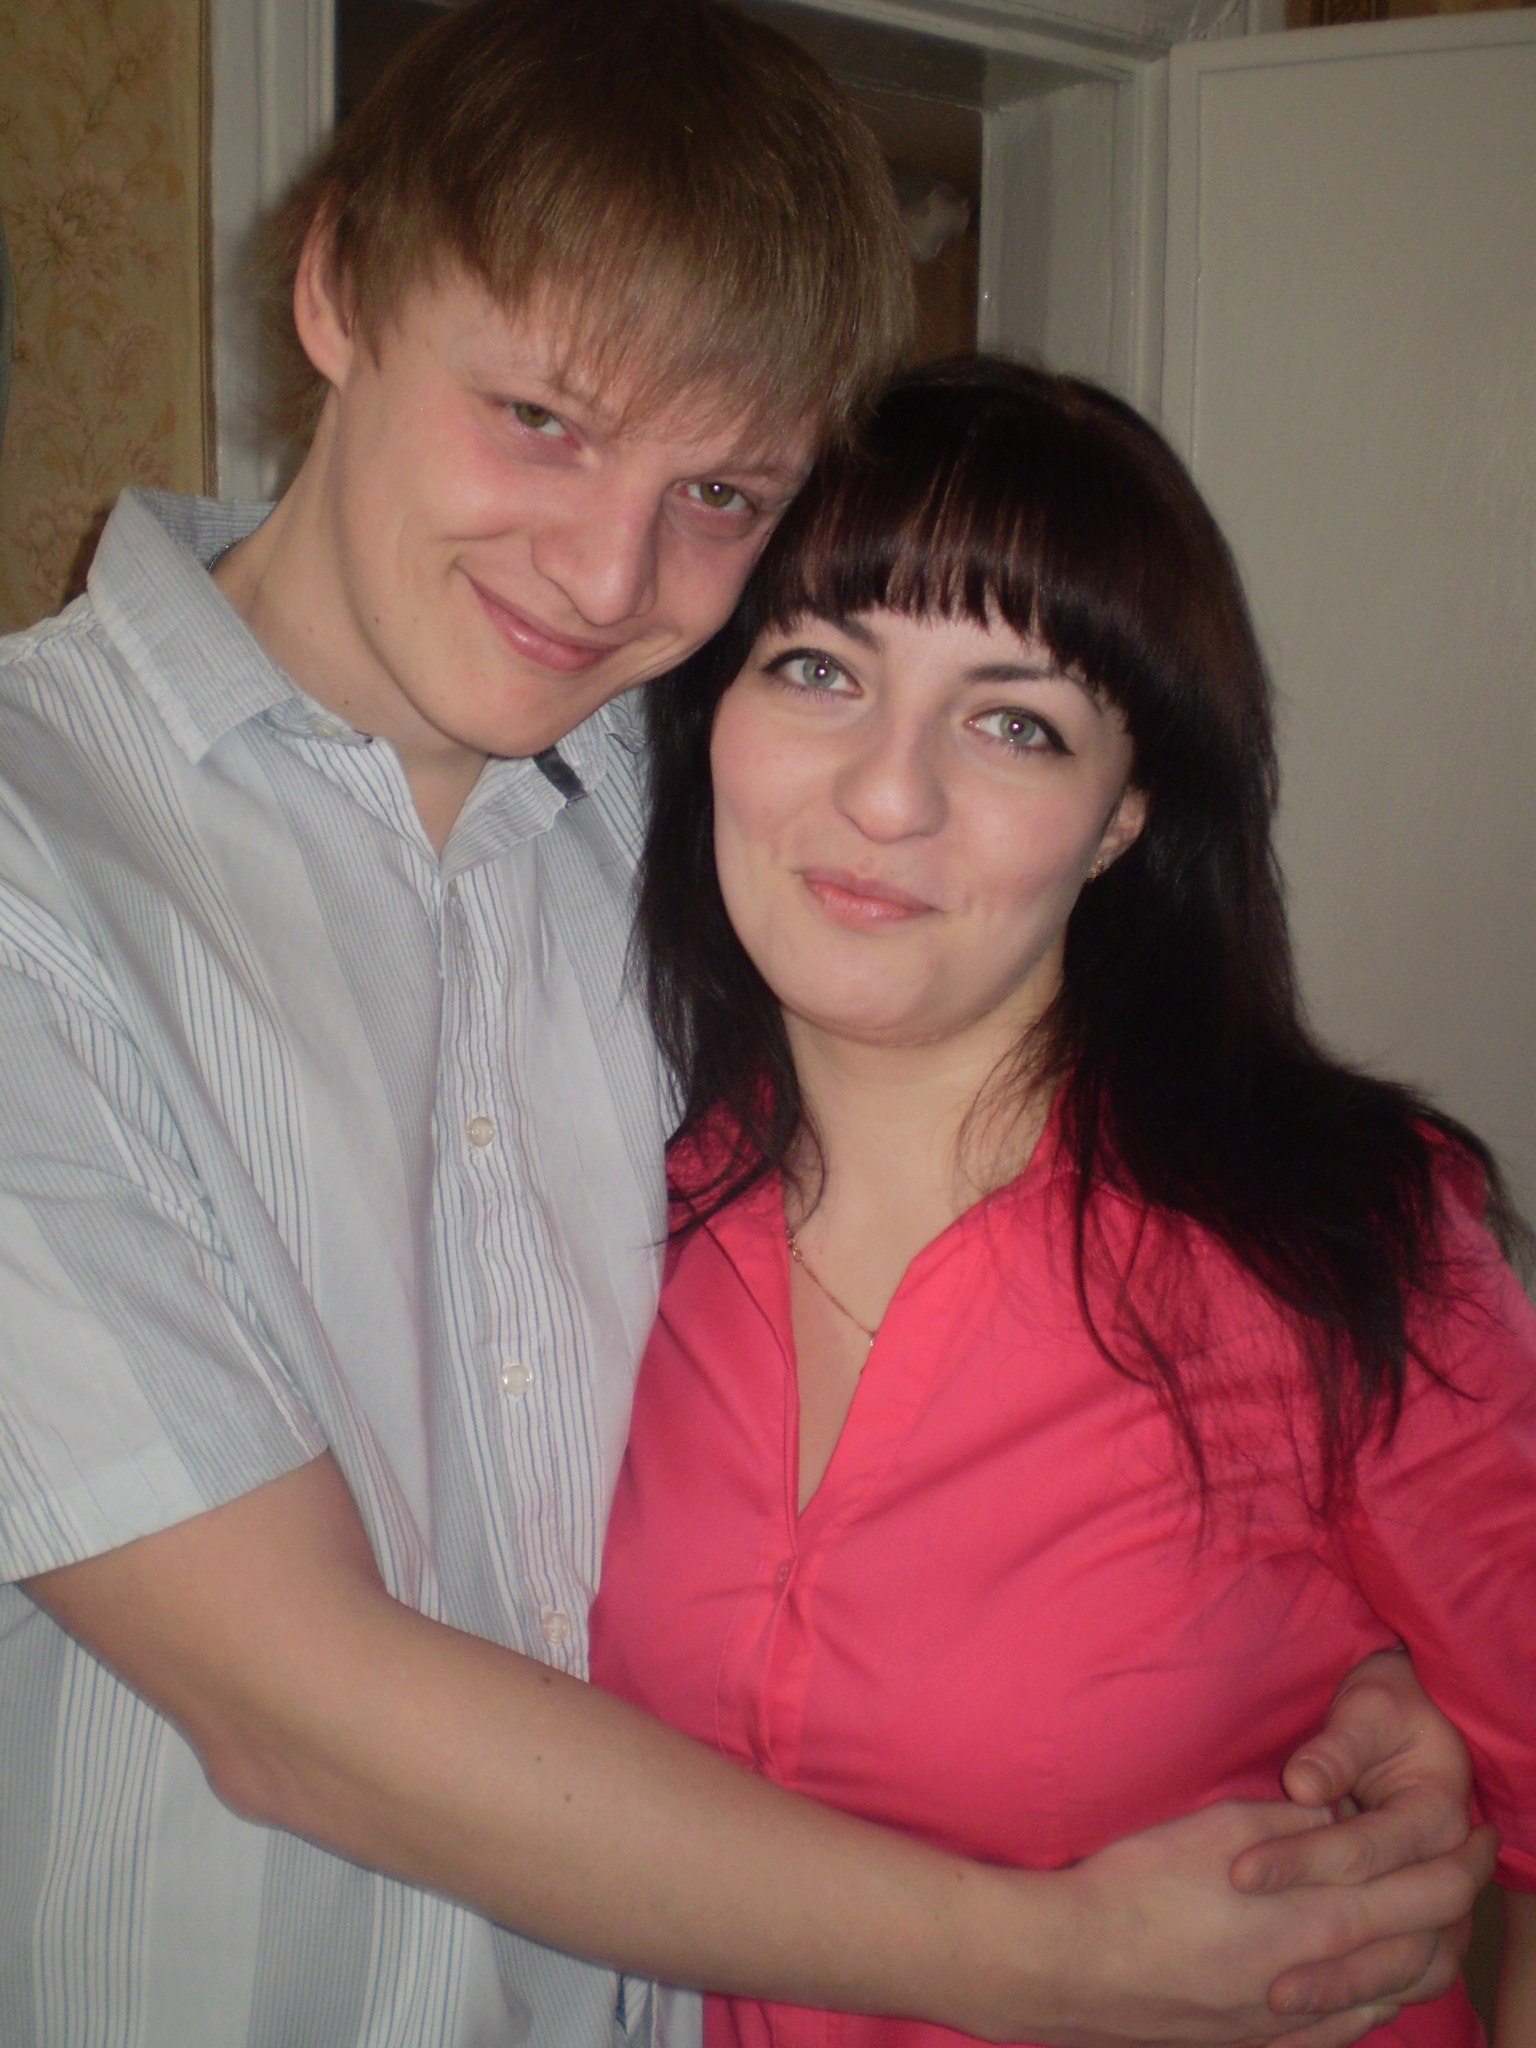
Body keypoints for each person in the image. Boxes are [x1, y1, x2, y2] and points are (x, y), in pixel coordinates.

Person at [0, 4, 1494, 2044]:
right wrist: (1069, 1960)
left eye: (720, 489)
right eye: (541, 416)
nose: (609, 572)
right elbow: (288, 1702)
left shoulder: (702, 821)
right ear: (337, 285)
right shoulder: (37, 858)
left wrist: (1325, 1662)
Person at [590, 355, 1536, 2047]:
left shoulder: (1338, 1241)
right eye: (818, 668)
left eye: (1015, 721)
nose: (888, 794)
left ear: (1125, 814)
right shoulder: (595, 1197)